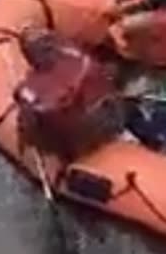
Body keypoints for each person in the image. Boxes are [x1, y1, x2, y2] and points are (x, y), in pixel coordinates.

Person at [13, 27, 123, 160]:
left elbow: (28, 127)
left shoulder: (27, 90)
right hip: (102, 126)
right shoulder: (76, 57)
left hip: (93, 131)